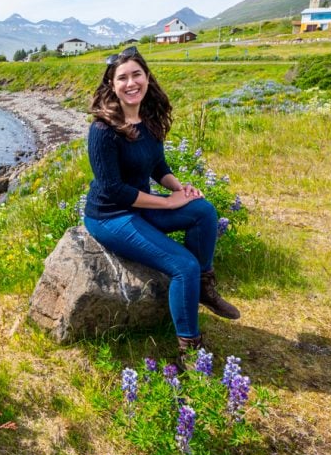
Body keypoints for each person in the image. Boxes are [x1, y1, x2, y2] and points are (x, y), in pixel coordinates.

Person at [82, 46, 239, 358]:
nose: (131, 83)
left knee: (204, 211)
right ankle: (190, 349)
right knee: (183, 265)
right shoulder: (102, 130)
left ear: (147, 77)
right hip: (109, 216)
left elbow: (157, 167)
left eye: (136, 75)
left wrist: (181, 189)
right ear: (111, 85)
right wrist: (167, 203)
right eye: (122, 78)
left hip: (139, 207)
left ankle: (203, 288)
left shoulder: (149, 119)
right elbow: (114, 190)